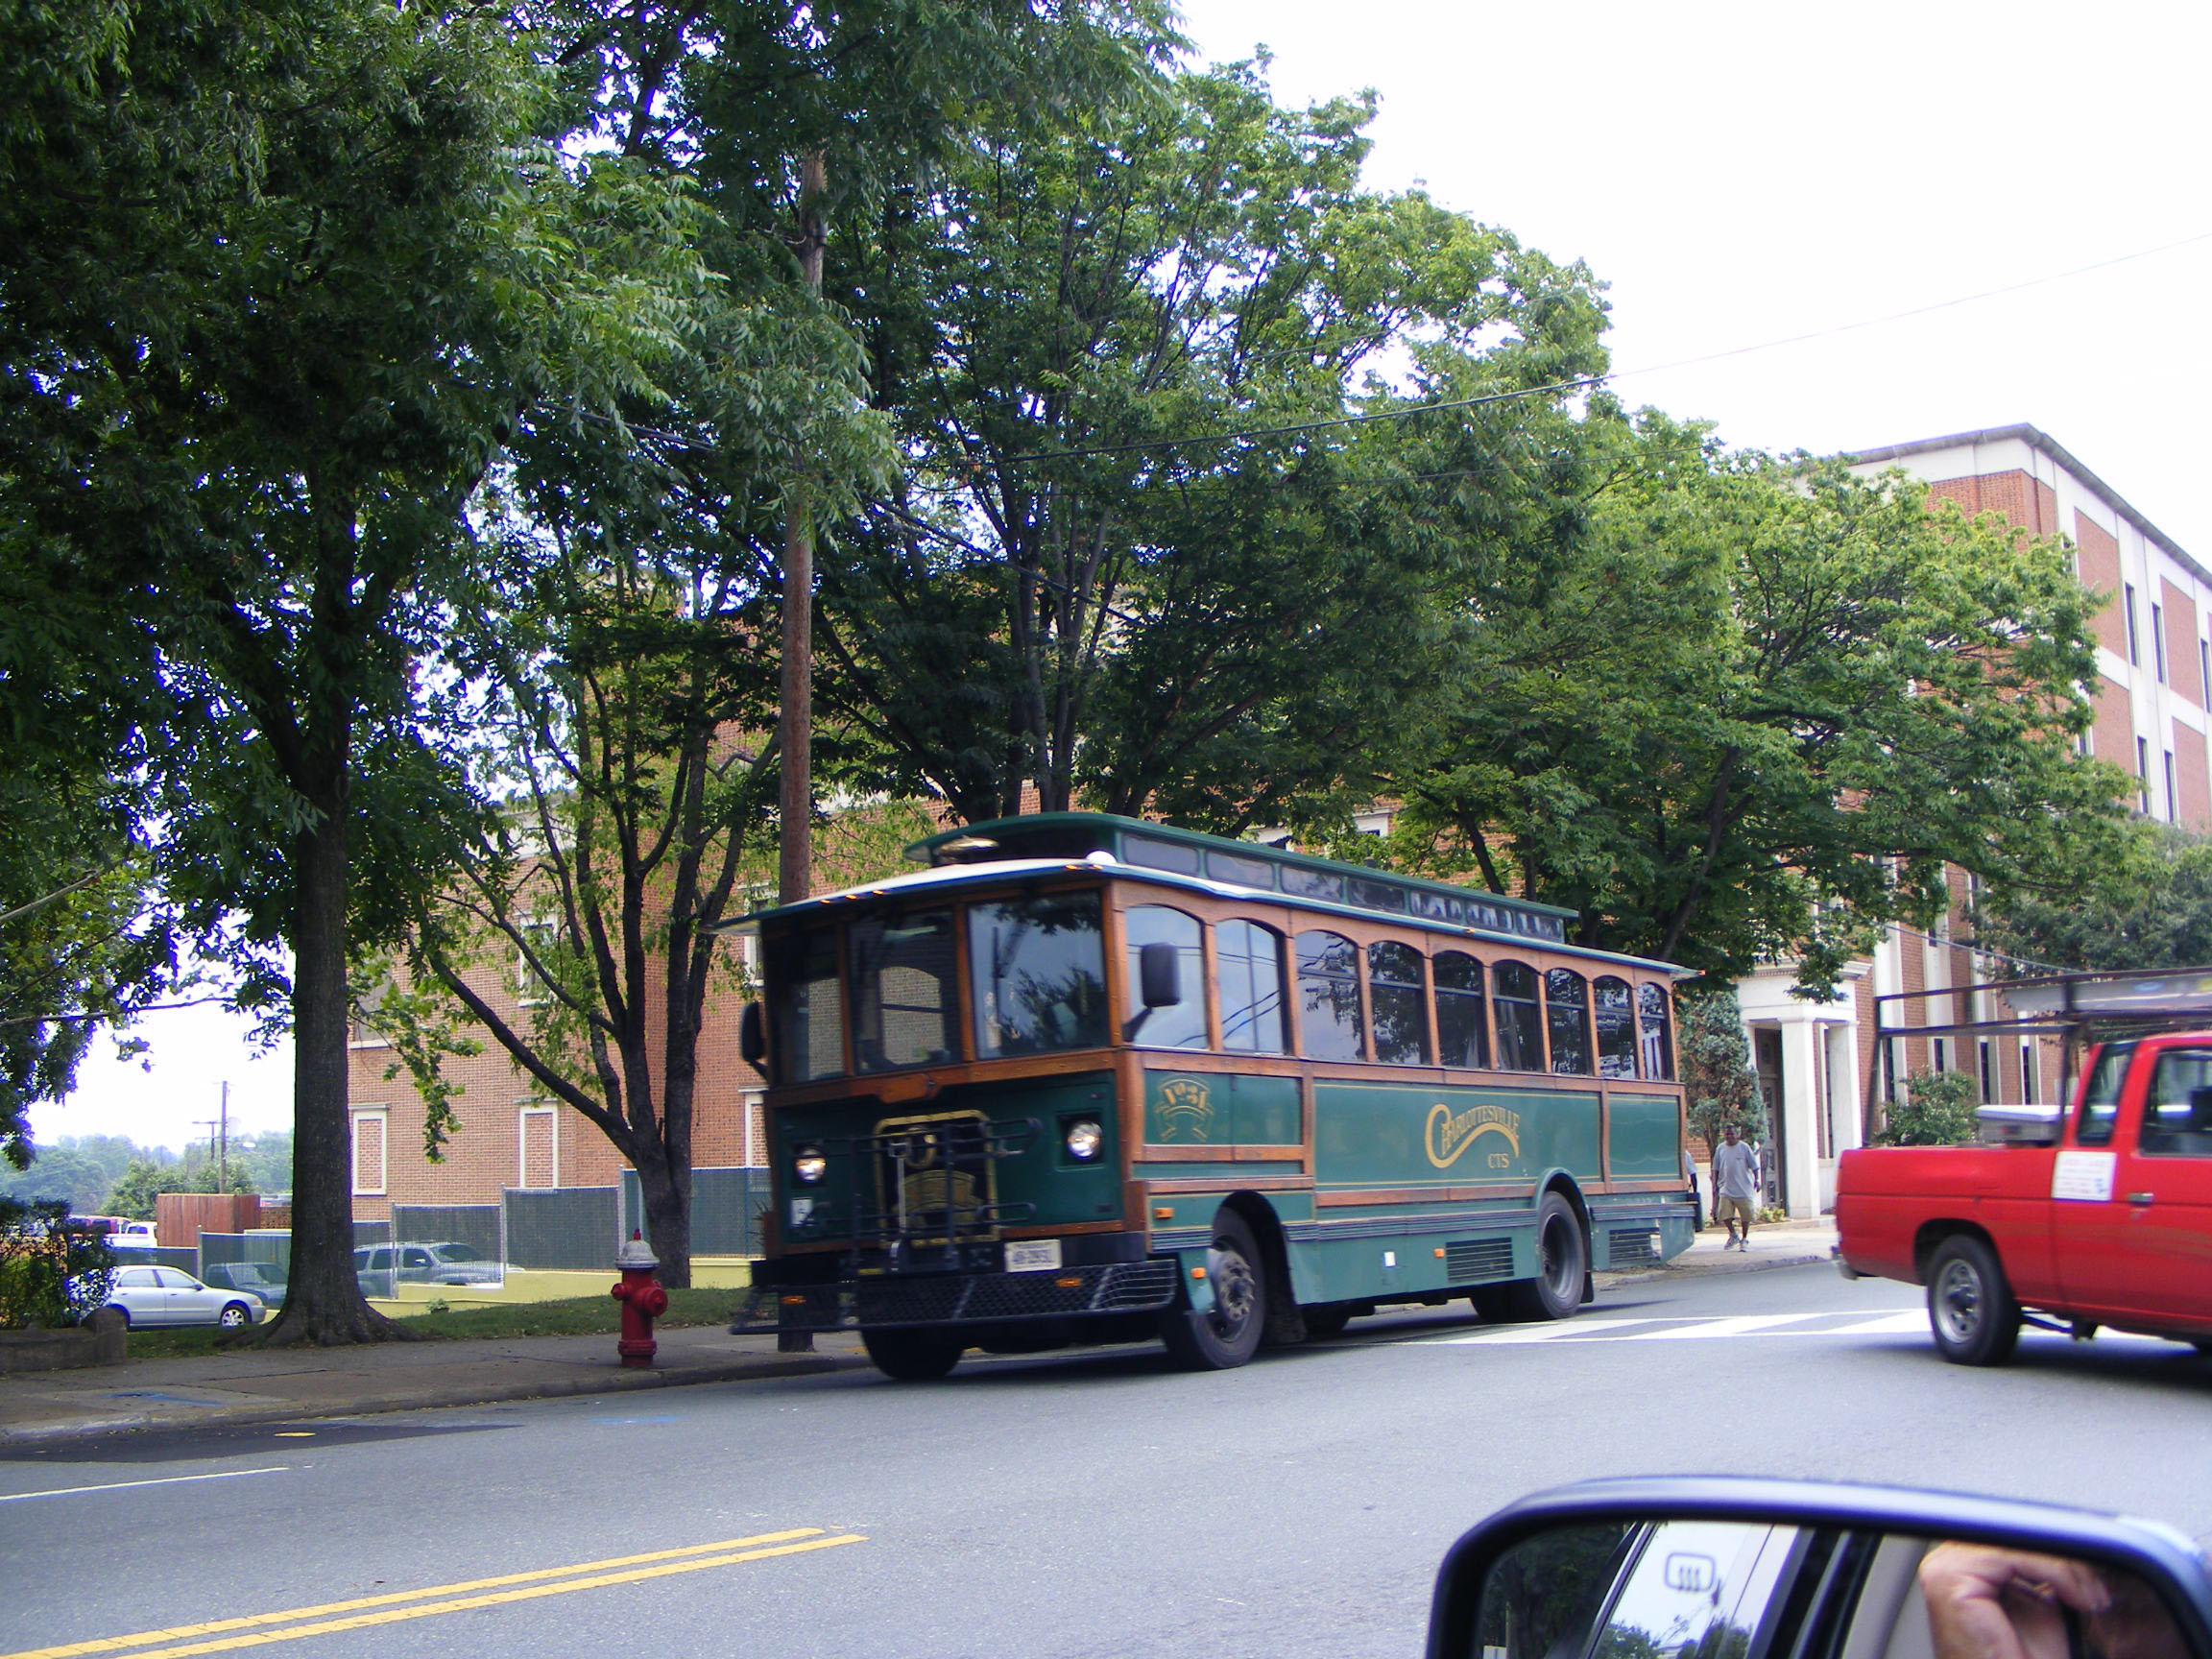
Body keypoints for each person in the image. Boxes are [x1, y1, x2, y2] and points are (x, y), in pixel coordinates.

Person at [1711, 1122, 1760, 1250]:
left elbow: (1754, 1166)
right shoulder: (1720, 1148)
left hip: (1743, 1188)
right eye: (1727, 1134)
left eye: (1732, 1133)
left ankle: (1744, 1239)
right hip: (1726, 1187)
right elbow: (1715, 1167)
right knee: (1723, 1214)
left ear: (1737, 1134)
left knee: (1746, 1215)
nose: (1729, 1136)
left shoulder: (1744, 1148)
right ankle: (1733, 1235)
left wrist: (1757, 1180)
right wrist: (1714, 1185)